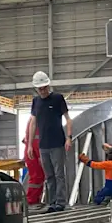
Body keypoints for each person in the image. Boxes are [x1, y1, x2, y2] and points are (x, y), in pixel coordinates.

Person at [26, 71, 72, 213]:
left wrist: (69, 137)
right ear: (36, 89)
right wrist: (29, 145)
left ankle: (60, 202)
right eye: (40, 89)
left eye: (44, 88)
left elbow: (68, 119)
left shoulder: (58, 98)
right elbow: (33, 123)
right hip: (43, 145)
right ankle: (52, 203)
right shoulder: (36, 101)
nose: (42, 91)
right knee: (49, 175)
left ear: (48, 85)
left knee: (59, 174)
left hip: (57, 143)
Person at [23, 129, 45, 206]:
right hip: (33, 155)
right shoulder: (36, 123)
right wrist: (40, 156)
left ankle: (34, 200)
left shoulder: (33, 121)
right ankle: (32, 200)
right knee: (37, 177)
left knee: (37, 177)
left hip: (31, 154)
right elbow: (36, 142)